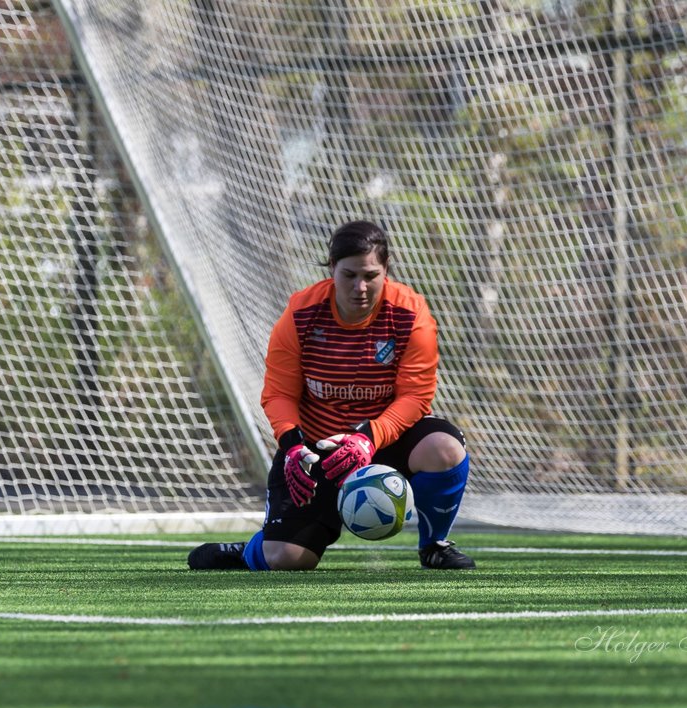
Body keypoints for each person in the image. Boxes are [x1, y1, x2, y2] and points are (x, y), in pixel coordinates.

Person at [188, 220, 475, 572]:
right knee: (286, 560)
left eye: (371, 276)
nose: (360, 287)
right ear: (331, 268)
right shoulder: (300, 314)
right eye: (349, 275)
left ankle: (434, 545)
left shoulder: (412, 315)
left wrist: (367, 439)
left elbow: (415, 397)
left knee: (445, 449)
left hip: (384, 439)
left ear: (386, 270)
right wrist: (292, 444)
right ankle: (250, 550)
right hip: (316, 450)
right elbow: (278, 392)